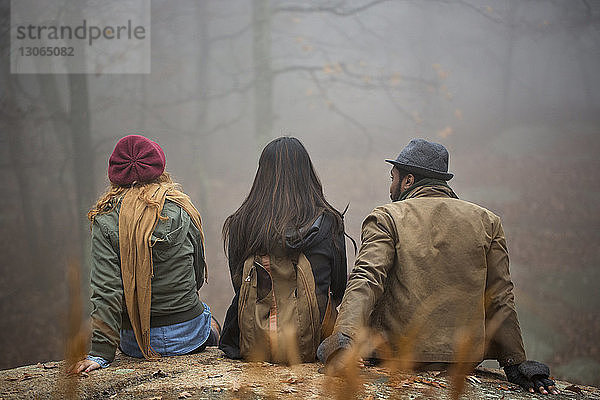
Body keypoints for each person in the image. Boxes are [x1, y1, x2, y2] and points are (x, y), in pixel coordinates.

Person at [317, 138, 558, 395]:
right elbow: (500, 295)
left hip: (397, 355)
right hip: (463, 359)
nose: (391, 188)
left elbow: (367, 279)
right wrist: (515, 362)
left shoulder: (387, 218)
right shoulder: (488, 222)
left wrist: (343, 341)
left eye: (393, 178)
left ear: (408, 181)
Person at [72, 134, 219, 373]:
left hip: (136, 343)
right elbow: (197, 275)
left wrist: (100, 354)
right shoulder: (182, 208)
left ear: (115, 175)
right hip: (187, 334)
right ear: (159, 168)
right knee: (212, 322)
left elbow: (107, 292)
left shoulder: (105, 219)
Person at [219, 136, 349, 362]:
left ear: (261, 175)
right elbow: (337, 289)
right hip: (313, 343)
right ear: (307, 173)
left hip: (251, 344)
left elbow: (240, 285)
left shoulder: (240, 223)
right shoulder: (329, 222)